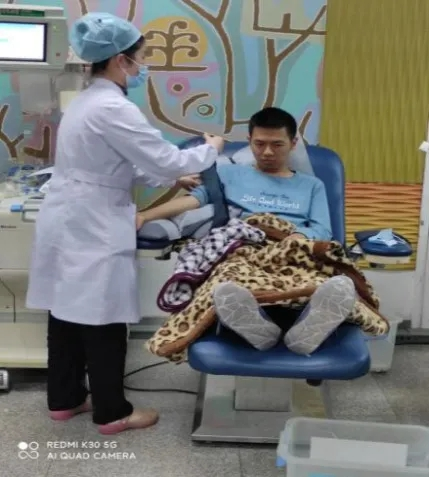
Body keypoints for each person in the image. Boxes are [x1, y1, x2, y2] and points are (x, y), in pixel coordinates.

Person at [25, 12, 225, 436]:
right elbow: (165, 158)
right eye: (141, 57)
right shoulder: (114, 108)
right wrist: (210, 149)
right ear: (120, 60)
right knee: (104, 316)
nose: (142, 65)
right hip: (94, 220)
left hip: (70, 214)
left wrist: (171, 178)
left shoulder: (85, 103)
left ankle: (65, 399)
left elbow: (116, 165)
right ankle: (112, 412)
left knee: (65, 312)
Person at [139, 107, 357, 355]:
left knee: (321, 280)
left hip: (293, 249)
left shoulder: (312, 185)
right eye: (259, 144)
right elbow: (194, 200)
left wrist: (297, 237)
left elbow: (322, 229)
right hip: (244, 247)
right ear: (249, 141)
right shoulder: (228, 173)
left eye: (277, 144)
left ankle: (306, 325)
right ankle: (260, 325)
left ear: (293, 143)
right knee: (228, 280)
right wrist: (144, 215)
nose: (267, 152)